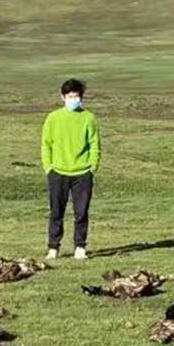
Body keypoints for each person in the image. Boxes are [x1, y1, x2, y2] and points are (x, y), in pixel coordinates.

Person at [41, 78, 101, 259]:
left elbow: (94, 144)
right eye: (69, 96)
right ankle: (53, 247)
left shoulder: (88, 118)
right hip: (58, 172)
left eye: (76, 96)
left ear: (81, 98)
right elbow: (46, 144)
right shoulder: (53, 118)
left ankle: (80, 247)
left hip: (82, 173)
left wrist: (92, 167)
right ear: (62, 97)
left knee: (81, 212)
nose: (72, 99)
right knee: (56, 212)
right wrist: (48, 167)